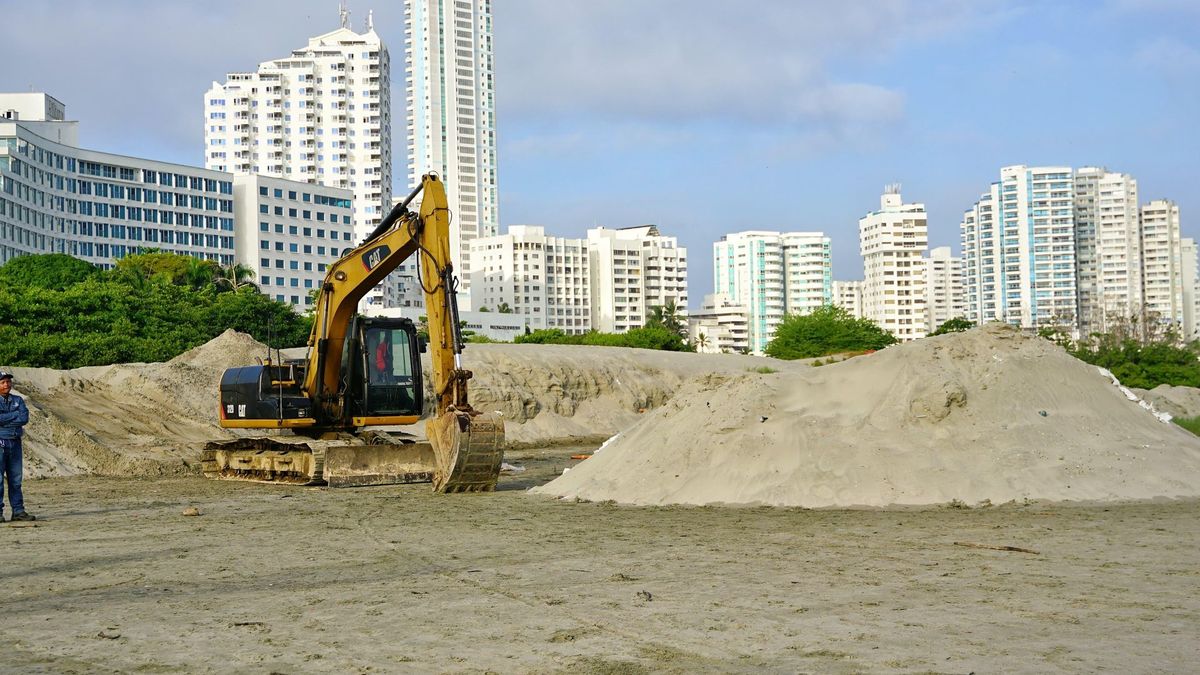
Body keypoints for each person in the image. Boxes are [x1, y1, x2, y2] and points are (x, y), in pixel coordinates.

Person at [0, 371, 33, 523]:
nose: (6, 384)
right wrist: (14, 415)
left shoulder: (17, 399)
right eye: (3, 382)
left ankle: (18, 511)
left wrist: (4, 420)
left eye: (8, 381)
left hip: (15, 442)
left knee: (16, 479)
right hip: (1, 442)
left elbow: (24, 418)